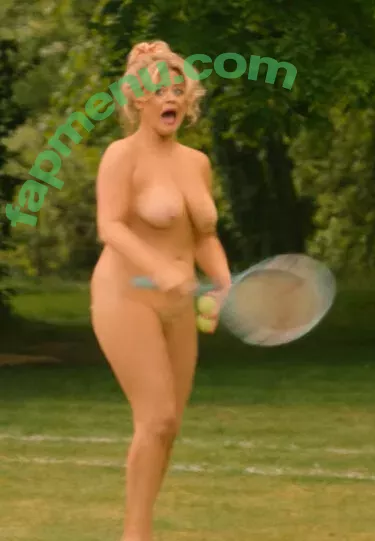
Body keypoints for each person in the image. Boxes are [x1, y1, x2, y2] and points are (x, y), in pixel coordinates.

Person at [90, 40, 232, 541]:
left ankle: (141, 530)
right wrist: (158, 267)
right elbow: (110, 226)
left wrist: (222, 283)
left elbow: (203, 235)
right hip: (126, 294)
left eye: (176, 89)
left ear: (187, 99)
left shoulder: (197, 162)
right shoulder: (120, 156)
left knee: (169, 427)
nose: (169, 97)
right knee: (155, 418)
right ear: (137, 100)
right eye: (157, 91)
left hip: (178, 302)